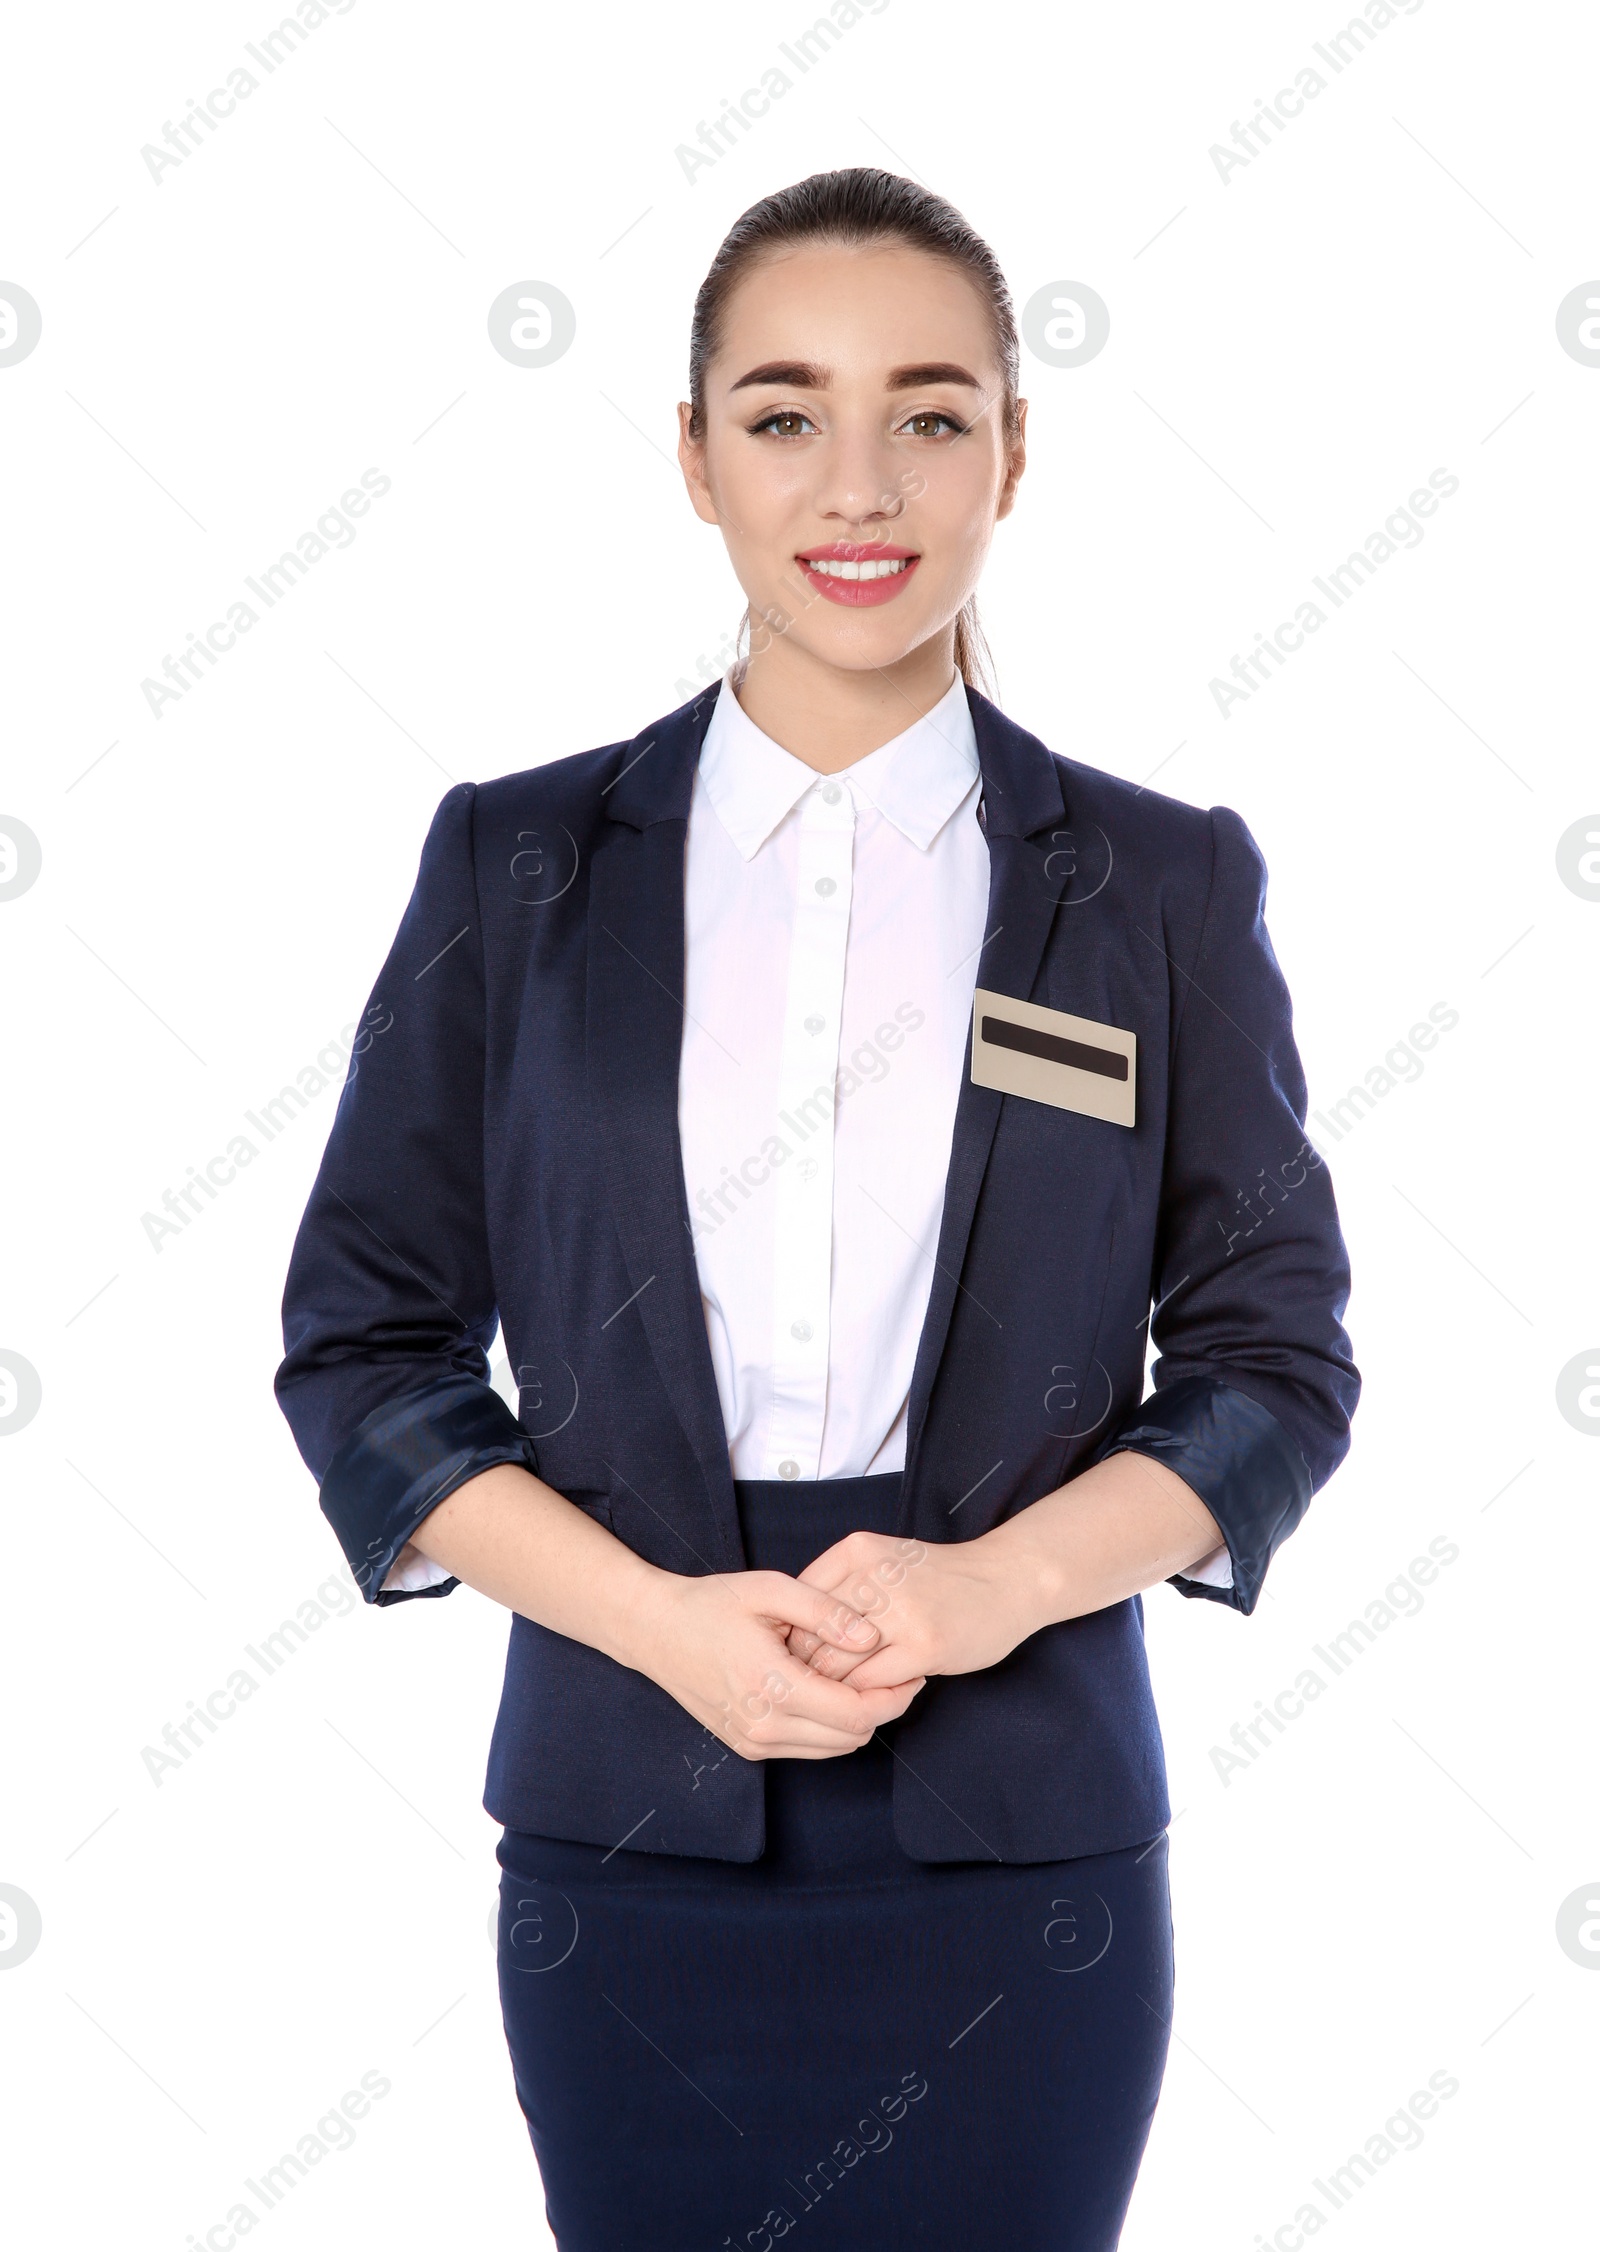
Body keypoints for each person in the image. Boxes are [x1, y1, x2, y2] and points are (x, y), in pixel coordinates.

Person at [275, 167, 1359, 2252]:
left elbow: (1265, 1364)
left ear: (1009, 456)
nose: (855, 482)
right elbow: (368, 1349)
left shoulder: (1148, 886)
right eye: (781, 413)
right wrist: (660, 1623)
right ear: (691, 459)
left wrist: (988, 1591)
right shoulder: (515, 866)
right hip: (626, 1816)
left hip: (1021, 1842)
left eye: (927, 413)